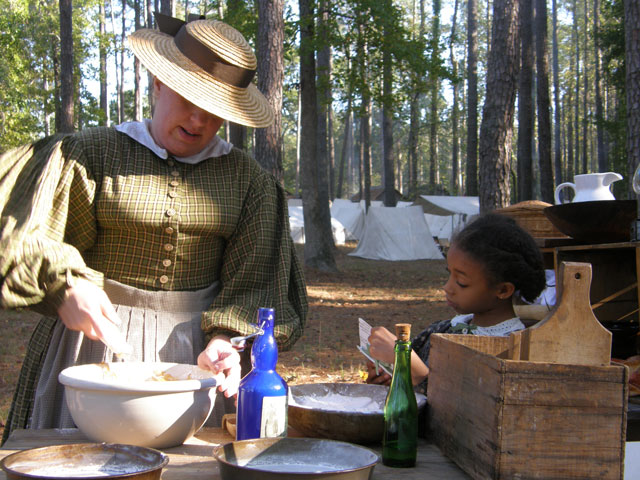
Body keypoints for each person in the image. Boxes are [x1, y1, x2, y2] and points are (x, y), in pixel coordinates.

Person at [0, 13, 307, 444]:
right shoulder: (90, 153)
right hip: (92, 346)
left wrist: (226, 340)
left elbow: (256, 281)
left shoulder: (249, 183)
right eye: (188, 100)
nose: (198, 121)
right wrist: (64, 286)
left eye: (214, 112)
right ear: (158, 84)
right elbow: (18, 230)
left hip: (195, 366)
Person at [365, 213, 546, 392]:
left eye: (461, 282)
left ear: (503, 290)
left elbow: (470, 411)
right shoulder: (441, 330)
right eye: (449, 274)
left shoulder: (513, 350)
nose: (447, 287)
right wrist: (390, 377)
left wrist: (410, 366)